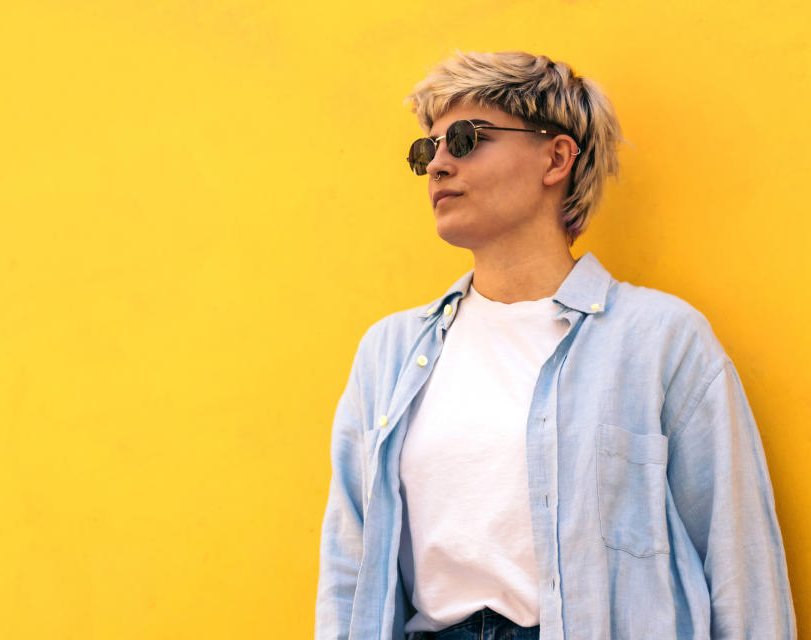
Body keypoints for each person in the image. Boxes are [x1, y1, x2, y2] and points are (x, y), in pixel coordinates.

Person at [314, 50, 796, 640]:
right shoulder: (388, 352)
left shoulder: (658, 340)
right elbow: (350, 563)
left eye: (464, 139)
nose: (438, 164)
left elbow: (738, 560)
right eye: (427, 150)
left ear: (556, 157)